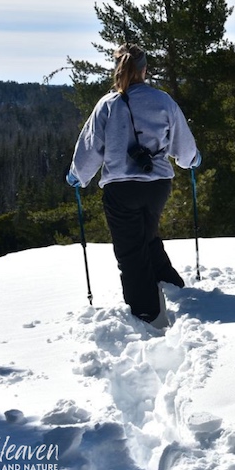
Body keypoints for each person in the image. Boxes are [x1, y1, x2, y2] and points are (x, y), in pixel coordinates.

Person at [66, 43, 201, 328]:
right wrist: (191, 160)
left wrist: (78, 175)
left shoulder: (108, 104)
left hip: (121, 188)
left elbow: (91, 146)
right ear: (145, 70)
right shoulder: (163, 101)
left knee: (130, 251)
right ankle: (171, 284)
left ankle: (147, 315)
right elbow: (183, 146)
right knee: (146, 237)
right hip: (157, 186)